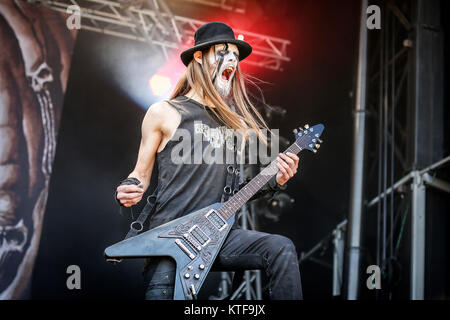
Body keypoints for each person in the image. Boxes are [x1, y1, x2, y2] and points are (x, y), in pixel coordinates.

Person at [115, 22, 302, 300]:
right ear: (199, 57)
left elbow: (237, 193)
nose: (232, 62)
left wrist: (276, 180)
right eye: (223, 53)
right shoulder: (165, 112)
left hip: (219, 235)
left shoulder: (236, 124)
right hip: (171, 238)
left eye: (236, 58)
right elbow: (139, 175)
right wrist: (128, 189)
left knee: (280, 248)